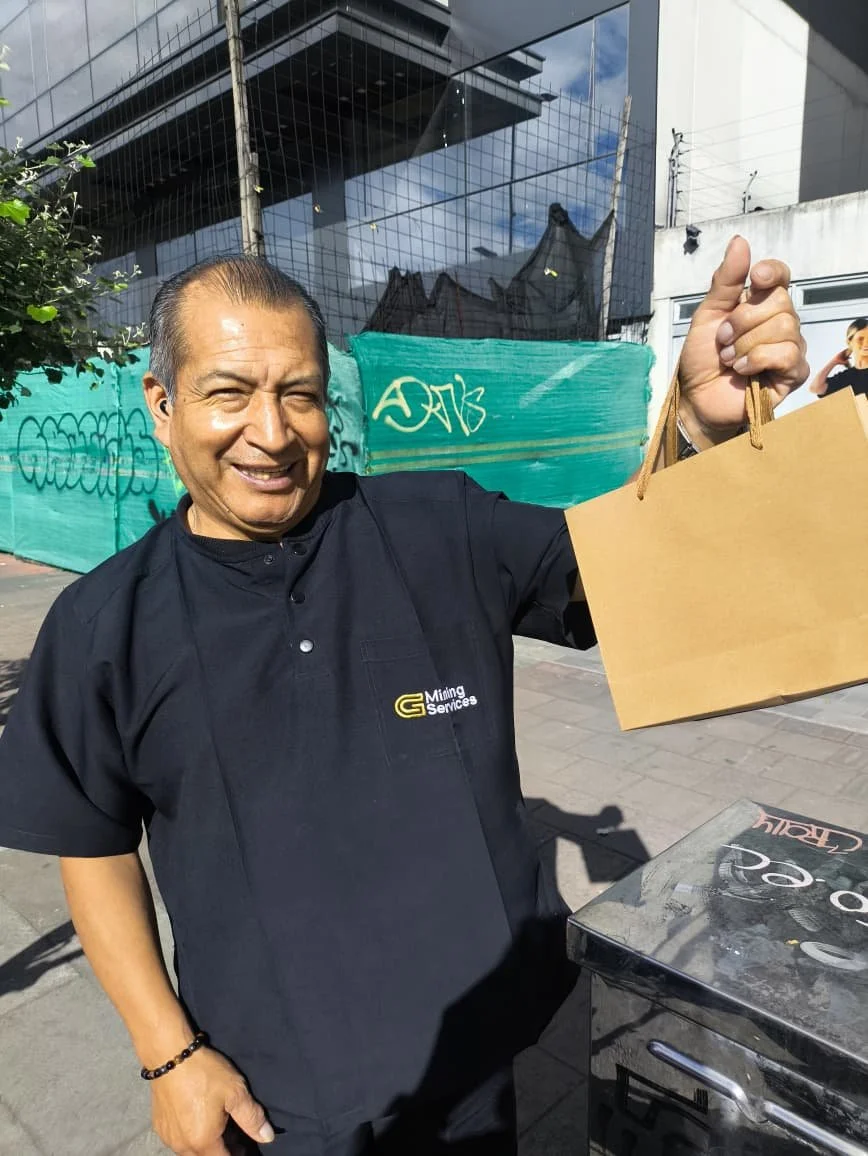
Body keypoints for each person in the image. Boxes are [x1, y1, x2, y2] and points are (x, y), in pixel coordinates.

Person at [0, 237, 808, 1156]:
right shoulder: (103, 623)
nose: (270, 432)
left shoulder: (438, 528)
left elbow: (632, 575)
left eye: (298, 394)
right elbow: (91, 843)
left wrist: (704, 434)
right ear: (163, 404)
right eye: (230, 392)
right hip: (278, 1097)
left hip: (477, 1056)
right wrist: (168, 1054)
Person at [809, 316, 868, 397]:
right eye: (860, 339)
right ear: (849, 342)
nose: (866, 343)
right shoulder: (847, 377)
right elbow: (815, 388)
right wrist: (834, 361)